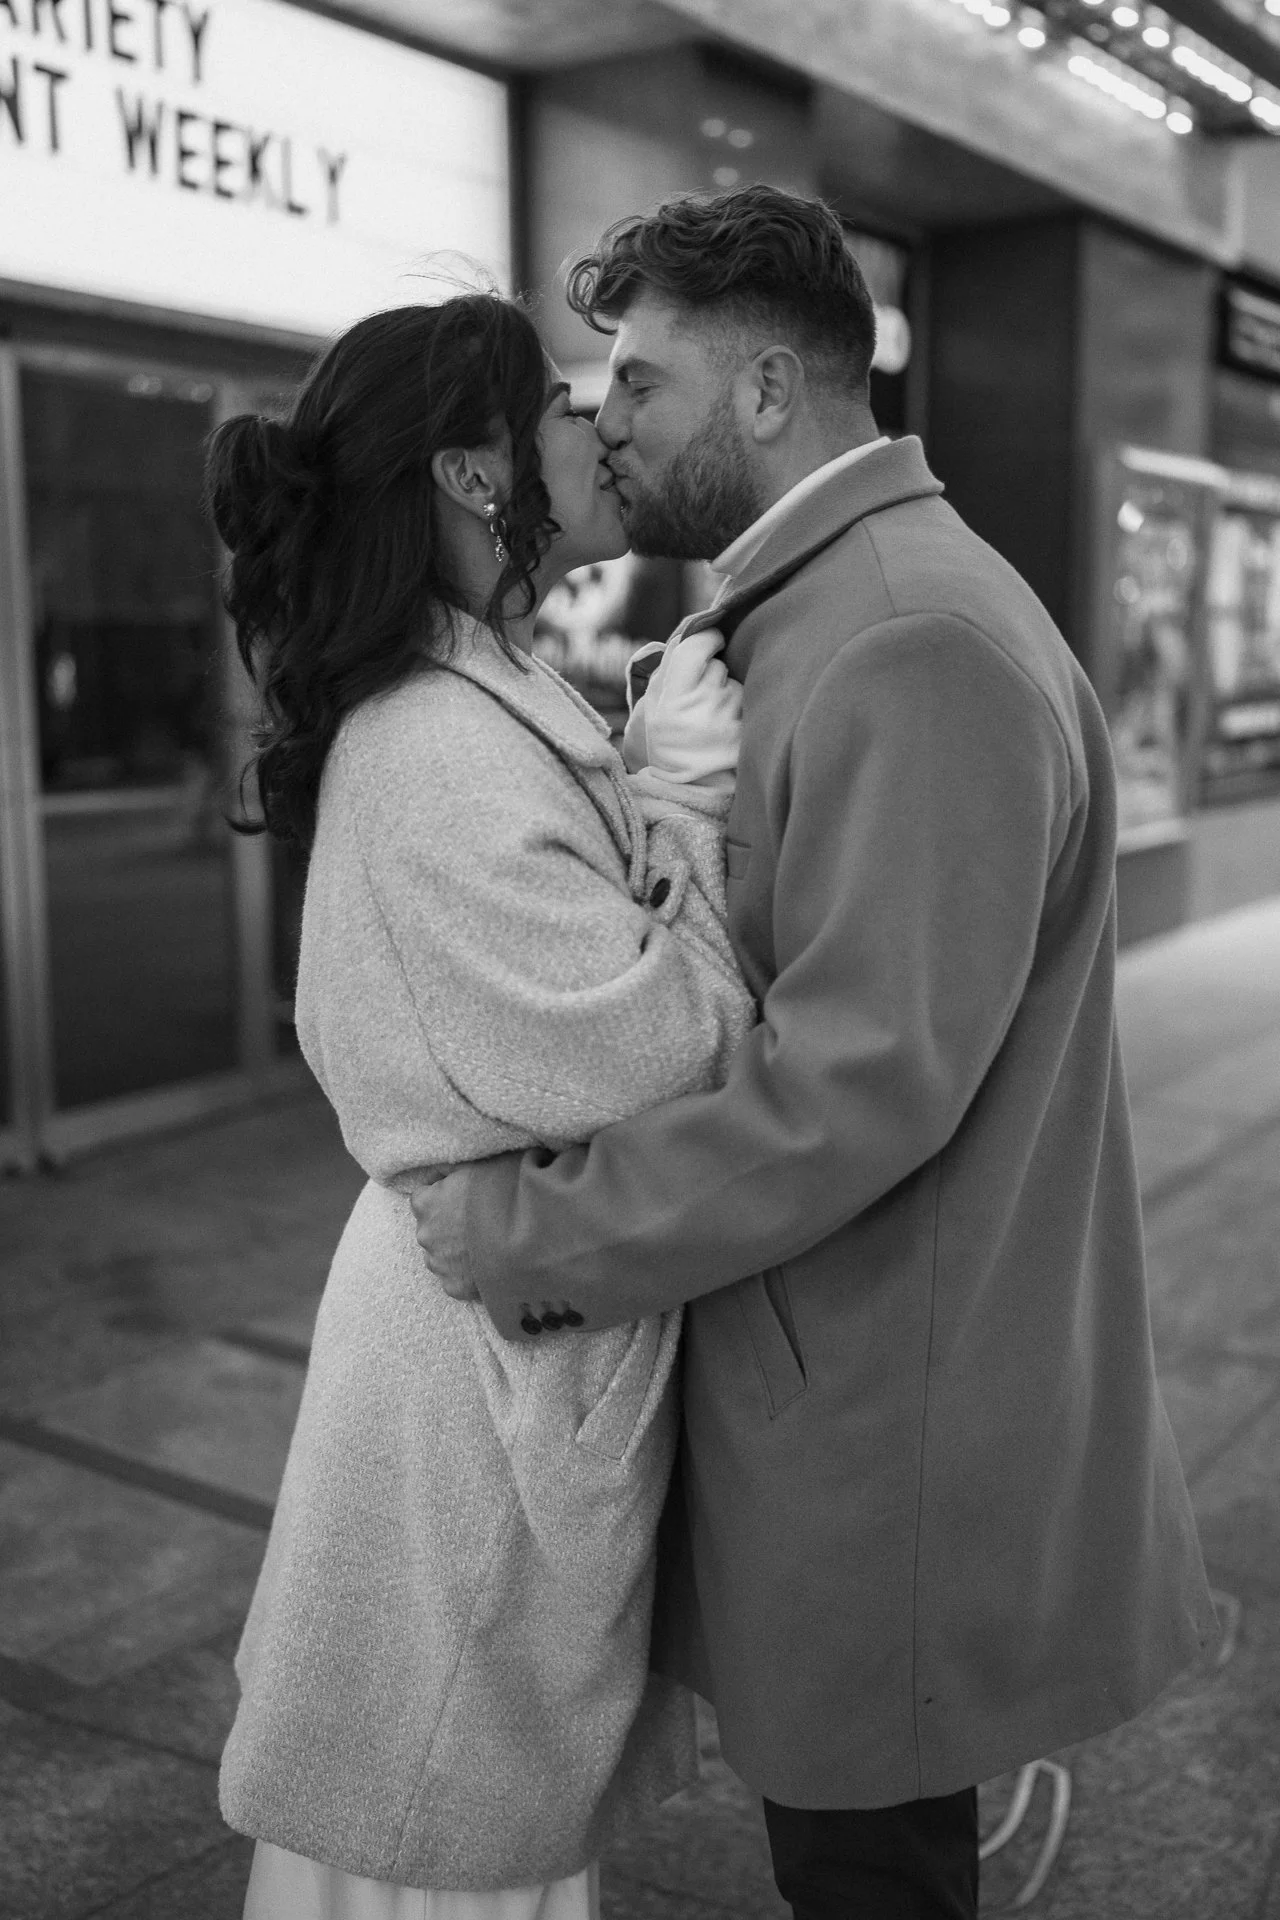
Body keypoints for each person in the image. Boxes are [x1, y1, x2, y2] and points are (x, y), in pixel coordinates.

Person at [410, 189, 1219, 1920]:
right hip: (859, 1400)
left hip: (887, 1443)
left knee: (871, 1881)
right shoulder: (832, 610)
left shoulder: (902, 636)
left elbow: (857, 1086)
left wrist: (528, 1236)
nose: (603, 427)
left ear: (769, 391)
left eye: (637, 384)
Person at [206, 294, 756, 1919]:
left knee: (438, 1835)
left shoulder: (475, 690)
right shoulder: (437, 745)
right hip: (469, 1386)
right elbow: (677, 1045)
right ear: (469, 470)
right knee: (429, 1853)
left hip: (485, 1338)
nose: (598, 428)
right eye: (563, 408)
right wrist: (687, 810)